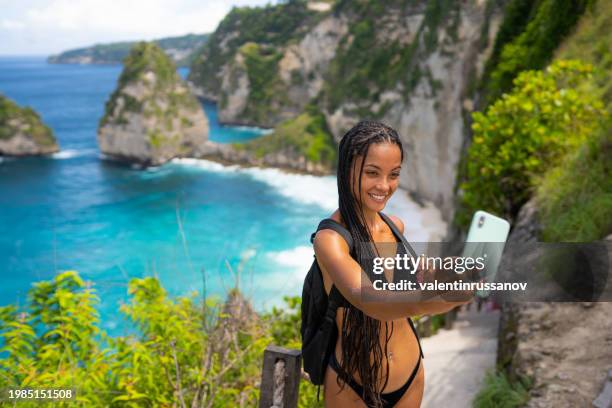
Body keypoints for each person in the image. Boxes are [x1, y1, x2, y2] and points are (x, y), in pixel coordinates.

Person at [313, 121, 473, 407]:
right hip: (350, 384)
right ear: (347, 169)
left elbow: (403, 288)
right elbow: (373, 301)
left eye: (394, 174)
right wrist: (435, 300)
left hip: (409, 374)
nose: (384, 186)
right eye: (372, 173)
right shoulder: (330, 240)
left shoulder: (396, 226)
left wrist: (438, 275)